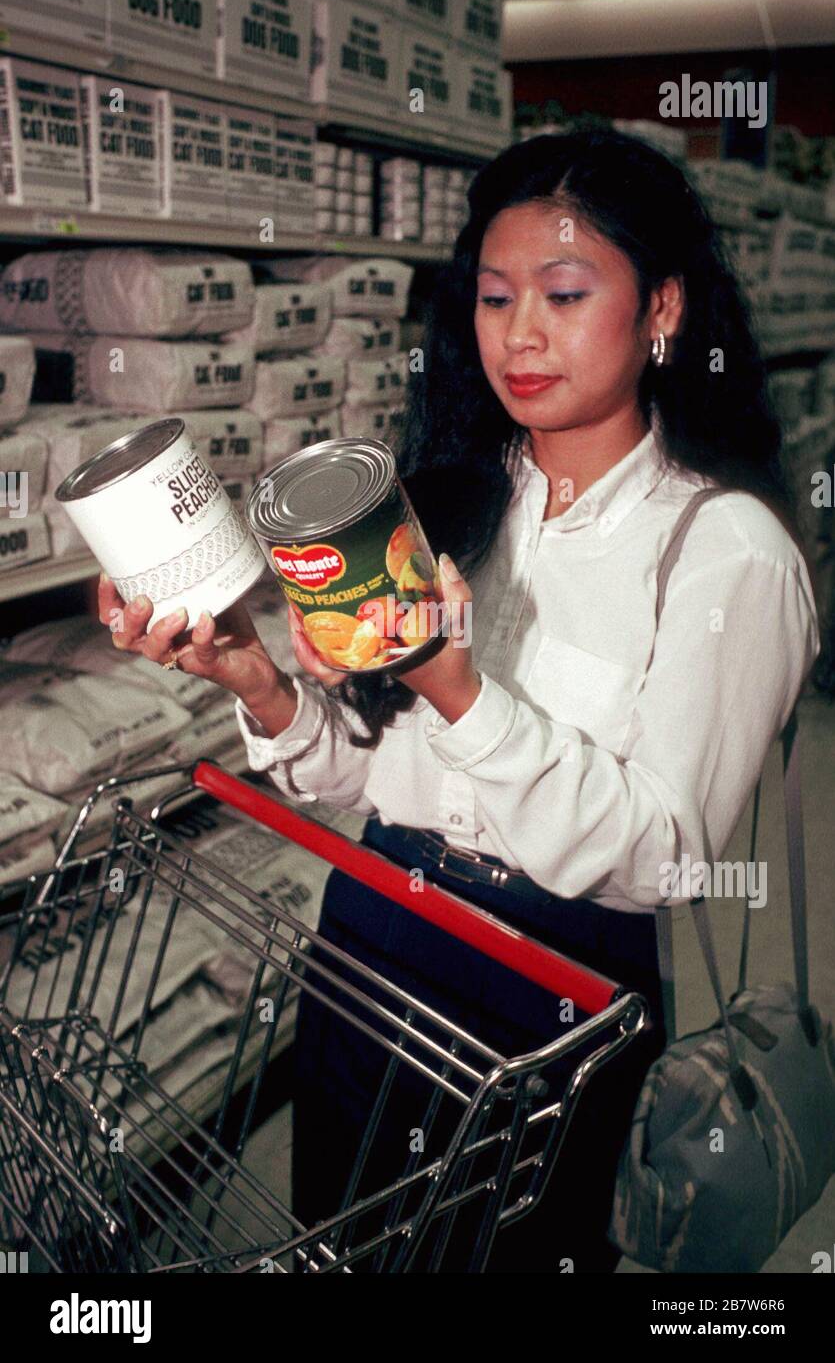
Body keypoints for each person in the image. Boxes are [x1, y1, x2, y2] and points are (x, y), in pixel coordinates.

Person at [100, 128, 820, 1273]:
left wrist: (456, 683)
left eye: (564, 293)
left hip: (543, 993)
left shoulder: (724, 555)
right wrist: (255, 679)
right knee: (340, 1240)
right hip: (370, 946)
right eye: (493, 299)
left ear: (663, 310)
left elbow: (664, 852)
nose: (520, 334)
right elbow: (365, 778)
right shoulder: (445, 506)